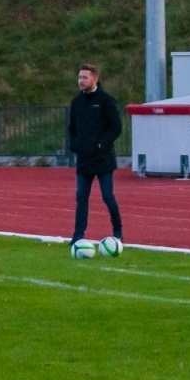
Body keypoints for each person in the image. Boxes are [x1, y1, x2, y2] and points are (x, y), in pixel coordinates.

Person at [66, 64, 123, 246]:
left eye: (85, 77)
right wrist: (75, 145)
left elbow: (116, 128)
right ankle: (78, 235)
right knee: (81, 196)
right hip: (84, 159)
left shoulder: (106, 100)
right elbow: (72, 129)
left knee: (107, 196)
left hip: (103, 158)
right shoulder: (76, 102)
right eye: (79, 77)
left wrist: (101, 144)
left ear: (95, 79)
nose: (81, 81)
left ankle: (118, 231)